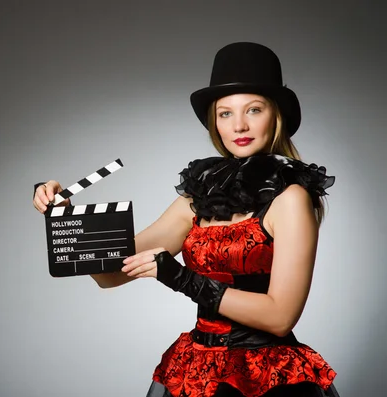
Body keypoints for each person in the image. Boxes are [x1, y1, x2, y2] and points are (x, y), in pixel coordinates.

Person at [32, 42, 339, 397]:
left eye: (254, 109)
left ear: (276, 116)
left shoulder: (291, 198)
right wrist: (67, 218)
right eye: (225, 113)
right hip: (197, 369)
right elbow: (112, 272)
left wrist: (178, 276)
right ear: (215, 122)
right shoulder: (199, 197)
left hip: (264, 377)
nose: (239, 124)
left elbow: (280, 317)